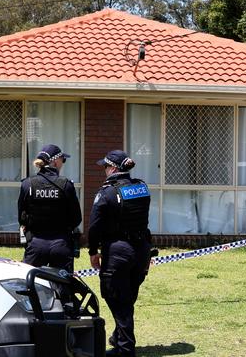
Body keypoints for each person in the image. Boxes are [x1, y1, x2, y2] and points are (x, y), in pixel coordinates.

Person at [88, 150, 152, 357]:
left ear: (113, 168)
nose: (104, 171)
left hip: (118, 251)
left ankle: (125, 349)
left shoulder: (106, 193)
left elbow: (94, 226)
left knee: (116, 297)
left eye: (105, 167)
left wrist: (93, 251)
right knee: (127, 297)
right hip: (141, 250)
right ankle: (118, 338)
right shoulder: (142, 188)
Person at [18, 144, 82, 273]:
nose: (63, 163)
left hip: (35, 244)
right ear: (55, 161)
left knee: (31, 286)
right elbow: (76, 218)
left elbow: (22, 216)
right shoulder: (66, 185)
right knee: (62, 288)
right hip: (61, 243)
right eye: (63, 160)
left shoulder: (27, 184)